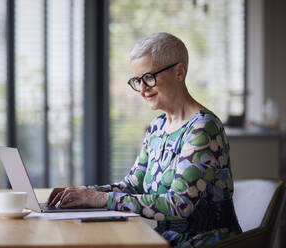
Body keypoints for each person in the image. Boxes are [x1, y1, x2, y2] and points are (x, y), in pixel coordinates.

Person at [47, 32, 242, 247]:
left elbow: (180, 204)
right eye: (137, 81)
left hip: (203, 241)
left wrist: (101, 199)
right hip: (162, 238)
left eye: (149, 78)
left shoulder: (203, 127)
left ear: (179, 72)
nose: (142, 89)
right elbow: (132, 185)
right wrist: (84, 194)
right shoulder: (158, 127)